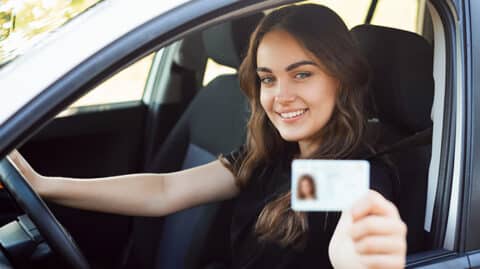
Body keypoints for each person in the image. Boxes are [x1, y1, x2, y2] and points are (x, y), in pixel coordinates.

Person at [9, 4, 406, 268]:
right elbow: (163, 191)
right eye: (268, 79)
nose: (281, 96)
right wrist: (43, 186)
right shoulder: (278, 159)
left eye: (302, 74)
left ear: (342, 78)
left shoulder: (353, 178)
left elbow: (355, 242)